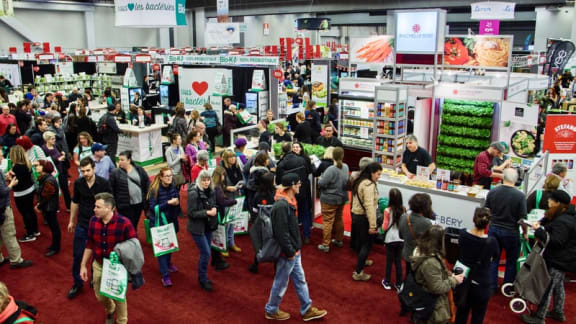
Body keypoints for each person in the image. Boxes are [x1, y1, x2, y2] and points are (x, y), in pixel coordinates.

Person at [264, 173, 328, 321]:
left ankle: (306, 308)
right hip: (289, 252)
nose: (300, 185)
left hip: (293, 250)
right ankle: (271, 309)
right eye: (298, 183)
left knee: (300, 280)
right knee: (281, 282)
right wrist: (290, 251)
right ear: (292, 185)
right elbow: (281, 232)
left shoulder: (289, 201)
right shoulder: (282, 205)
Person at [80, 193, 137, 324]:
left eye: (98, 207)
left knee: (119, 297)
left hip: (117, 268)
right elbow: (89, 244)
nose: (94, 209)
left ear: (109, 208)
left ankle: (122, 321)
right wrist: (83, 265)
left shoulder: (124, 223)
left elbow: (134, 245)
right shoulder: (93, 221)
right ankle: (110, 308)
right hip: (98, 265)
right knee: (100, 296)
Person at [521, 190, 576, 324]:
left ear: (558, 203)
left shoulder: (563, 221)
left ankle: (539, 317)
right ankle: (558, 311)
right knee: (558, 285)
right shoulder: (566, 215)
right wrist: (543, 223)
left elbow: (556, 241)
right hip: (566, 258)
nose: (548, 201)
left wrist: (539, 231)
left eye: (551, 200)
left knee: (547, 287)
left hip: (560, 259)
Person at [67, 158, 112, 300]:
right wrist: (71, 221)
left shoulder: (104, 183)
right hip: (82, 223)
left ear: (94, 168)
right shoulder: (79, 183)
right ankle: (77, 283)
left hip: (99, 225)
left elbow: (111, 204)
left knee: (99, 254)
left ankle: (95, 278)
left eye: (88, 170)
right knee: (78, 255)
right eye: (82, 170)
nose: (85, 173)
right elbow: (75, 202)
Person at [485, 168, 527, 294]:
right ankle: (507, 287)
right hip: (511, 231)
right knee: (511, 261)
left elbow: (487, 210)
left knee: (493, 259)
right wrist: (525, 232)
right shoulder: (520, 196)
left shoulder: (493, 191)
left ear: (503, 177)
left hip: (494, 228)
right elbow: (522, 219)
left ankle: (491, 287)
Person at [411, 225, 465, 324]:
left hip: (425, 300)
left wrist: (449, 276)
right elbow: (437, 287)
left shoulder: (422, 251)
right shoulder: (430, 262)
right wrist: (454, 280)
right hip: (433, 306)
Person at [455, 207, 499, 324]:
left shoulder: (463, 234)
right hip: (482, 284)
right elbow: (495, 257)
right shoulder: (492, 242)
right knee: (478, 317)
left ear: (474, 219)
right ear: (488, 223)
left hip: (463, 279)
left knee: (461, 313)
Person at [147, 167, 181, 287]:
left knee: (170, 244)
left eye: (170, 175)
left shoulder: (173, 187)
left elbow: (177, 200)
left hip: (172, 220)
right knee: (162, 250)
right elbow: (152, 208)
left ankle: (168, 263)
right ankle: (165, 276)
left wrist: (177, 203)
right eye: (166, 176)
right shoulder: (154, 190)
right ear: (161, 177)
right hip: (159, 223)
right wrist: (168, 203)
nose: (169, 178)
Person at [0, 149, 33, 269]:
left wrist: (5, 177)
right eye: (1, 156)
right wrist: (11, 185)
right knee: (9, 233)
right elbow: (2, 191)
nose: (3, 158)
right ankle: (16, 260)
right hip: (3, 208)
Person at [187, 170, 219, 292]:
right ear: (199, 180)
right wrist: (207, 212)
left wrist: (215, 209)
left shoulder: (211, 190)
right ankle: (202, 278)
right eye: (203, 180)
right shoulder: (194, 193)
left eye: (208, 180)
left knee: (206, 252)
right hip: (197, 228)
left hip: (208, 225)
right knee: (206, 253)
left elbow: (214, 204)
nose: (206, 182)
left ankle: (203, 276)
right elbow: (191, 213)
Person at [276, 142, 314, 243]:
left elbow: (279, 182)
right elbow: (308, 172)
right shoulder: (302, 159)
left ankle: (294, 237)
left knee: (292, 216)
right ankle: (306, 236)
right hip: (303, 191)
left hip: (290, 194)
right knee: (305, 213)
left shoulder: (281, 163)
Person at [350, 162, 382, 281]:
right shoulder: (368, 185)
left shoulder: (359, 181)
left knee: (361, 241)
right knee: (366, 244)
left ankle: (363, 261)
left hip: (356, 215)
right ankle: (358, 272)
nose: (379, 177)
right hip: (364, 218)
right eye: (378, 174)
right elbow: (369, 206)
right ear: (372, 173)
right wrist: (373, 225)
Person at [317, 147, 349, 253]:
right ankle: (339, 240)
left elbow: (321, 183)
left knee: (327, 221)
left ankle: (326, 244)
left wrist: (320, 179)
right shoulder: (346, 167)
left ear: (332, 156)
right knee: (339, 218)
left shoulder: (331, 169)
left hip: (329, 199)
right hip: (342, 197)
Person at [109, 151, 150, 230]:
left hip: (139, 203)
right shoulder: (115, 173)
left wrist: (147, 199)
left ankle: (132, 237)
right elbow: (111, 189)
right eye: (119, 160)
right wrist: (113, 203)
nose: (119, 162)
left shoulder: (139, 169)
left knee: (134, 223)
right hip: (124, 205)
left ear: (129, 160)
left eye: (122, 160)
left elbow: (147, 183)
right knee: (127, 224)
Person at [7, 146, 38, 243]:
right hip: (30, 189)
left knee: (25, 213)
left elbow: (16, 182)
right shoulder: (27, 162)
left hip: (21, 193)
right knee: (30, 211)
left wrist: (9, 177)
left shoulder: (17, 167)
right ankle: (35, 230)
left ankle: (30, 234)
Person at [399, 193, 434, 276]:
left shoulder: (404, 217)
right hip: (420, 256)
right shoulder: (426, 223)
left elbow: (401, 235)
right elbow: (430, 243)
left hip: (407, 253)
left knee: (408, 274)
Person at [248, 171, 275, 274]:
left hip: (260, 224)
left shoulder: (257, 195)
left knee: (258, 244)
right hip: (273, 223)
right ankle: (276, 267)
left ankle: (255, 265)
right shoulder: (276, 194)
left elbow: (254, 211)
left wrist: (254, 223)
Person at [211, 166, 235, 270]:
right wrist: (233, 201)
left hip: (215, 214)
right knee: (218, 236)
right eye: (223, 175)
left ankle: (215, 259)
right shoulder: (217, 187)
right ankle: (218, 260)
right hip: (218, 215)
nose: (224, 177)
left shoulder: (216, 186)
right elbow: (222, 202)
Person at [220, 150, 244, 256]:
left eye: (234, 157)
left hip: (235, 198)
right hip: (225, 199)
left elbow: (242, 179)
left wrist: (241, 185)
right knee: (226, 224)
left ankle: (231, 243)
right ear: (225, 158)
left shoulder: (237, 167)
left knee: (232, 222)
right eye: (230, 157)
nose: (233, 159)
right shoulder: (220, 170)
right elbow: (216, 185)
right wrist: (226, 188)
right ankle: (223, 245)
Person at [34, 160, 60, 257]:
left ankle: (56, 247)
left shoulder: (48, 180)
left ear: (44, 168)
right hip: (48, 207)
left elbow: (46, 196)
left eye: (39, 165)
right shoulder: (45, 178)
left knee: (54, 228)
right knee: (53, 227)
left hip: (50, 208)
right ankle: (54, 246)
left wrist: (39, 205)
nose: (36, 167)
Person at [381, 188, 406, 291]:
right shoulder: (403, 209)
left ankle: (387, 282)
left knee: (389, 262)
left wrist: (380, 230)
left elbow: (384, 226)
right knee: (398, 262)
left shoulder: (387, 210)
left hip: (390, 239)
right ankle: (399, 283)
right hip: (400, 239)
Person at [41, 131, 71, 210]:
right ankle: (55, 207)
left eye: (54, 138)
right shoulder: (43, 148)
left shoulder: (56, 145)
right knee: (54, 191)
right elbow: (46, 161)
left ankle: (69, 206)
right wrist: (58, 159)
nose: (54, 140)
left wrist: (63, 154)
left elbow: (61, 153)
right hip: (52, 173)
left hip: (61, 171)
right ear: (47, 140)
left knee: (65, 189)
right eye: (52, 139)